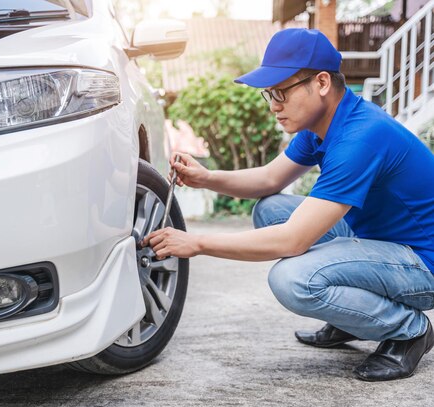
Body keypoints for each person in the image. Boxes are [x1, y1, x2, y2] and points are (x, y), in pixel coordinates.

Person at [142, 28, 434, 382]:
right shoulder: (320, 126)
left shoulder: (361, 136)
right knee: (272, 209)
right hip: (382, 243)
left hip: (421, 263)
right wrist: (207, 178)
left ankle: (408, 330)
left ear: (322, 83)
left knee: (293, 279)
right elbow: (269, 180)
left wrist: (198, 243)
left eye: (281, 91)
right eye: (270, 94)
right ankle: (352, 317)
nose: (274, 105)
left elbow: (292, 241)